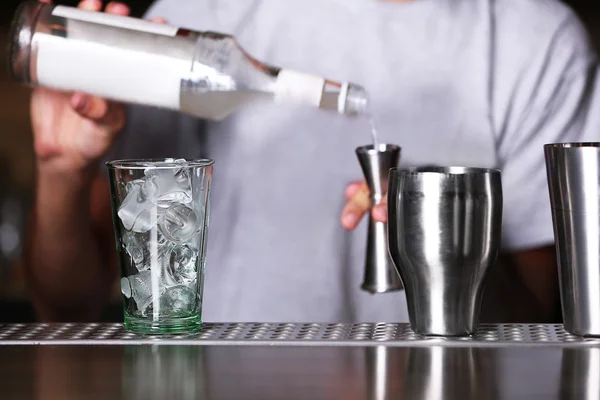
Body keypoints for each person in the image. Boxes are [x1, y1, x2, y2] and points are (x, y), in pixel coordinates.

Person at [24, 0, 598, 323]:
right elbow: (69, 303)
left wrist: (441, 252)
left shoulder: (531, 40)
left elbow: (541, 326)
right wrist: (62, 171)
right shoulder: (193, 23)